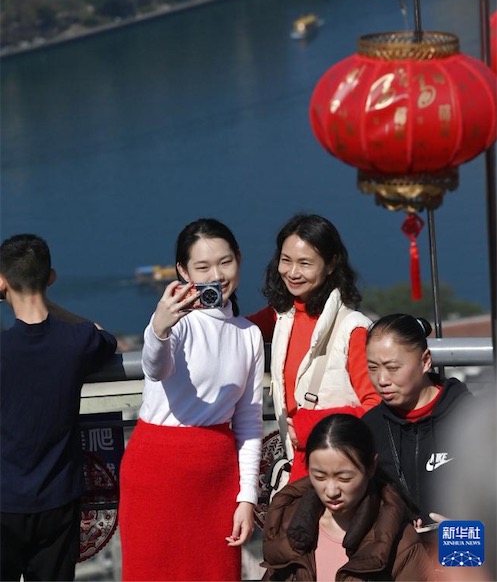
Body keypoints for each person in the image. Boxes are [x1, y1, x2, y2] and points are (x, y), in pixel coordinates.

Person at [118, 218, 265, 582]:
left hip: (216, 477)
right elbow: (155, 367)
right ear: (183, 271)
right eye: (202, 267)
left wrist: (247, 497)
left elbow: (248, 421)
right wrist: (159, 327)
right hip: (157, 473)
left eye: (225, 262)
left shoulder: (248, 335)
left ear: (239, 260)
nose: (216, 275)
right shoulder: (177, 324)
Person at [0, 233, 118, 582]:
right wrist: (47, 304)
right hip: (58, 499)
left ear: (3, 282)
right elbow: (102, 335)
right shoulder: (76, 342)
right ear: (50, 278)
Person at [249, 213, 379, 481]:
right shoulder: (281, 315)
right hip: (299, 470)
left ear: (331, 264)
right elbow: (232, 332)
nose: (292, 273)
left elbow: (375, 406)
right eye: (285, 260)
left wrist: (311, 425)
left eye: (305, 263)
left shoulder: (353, 328)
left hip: (340, 473)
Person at [262, 413, 435, 581]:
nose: (331, 491)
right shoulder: (287, 524)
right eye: (319, 477)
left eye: (344, 478)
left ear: (371, 467)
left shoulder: (399, 541)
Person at [363, 313, 473, 528]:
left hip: (466, 548)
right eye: (373, 368)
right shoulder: (369, 428)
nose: (382, 380)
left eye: (393, 368)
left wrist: (465, 529)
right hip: (400, 553)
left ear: (425, 361)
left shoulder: (470, 419)